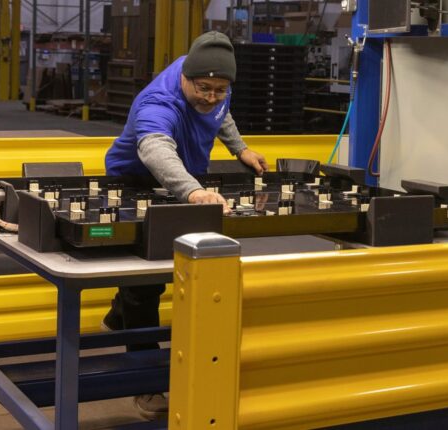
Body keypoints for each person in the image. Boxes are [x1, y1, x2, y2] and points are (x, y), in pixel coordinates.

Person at [101, 31, 267, 420]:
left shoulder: (214, 83)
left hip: (186, 183)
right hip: (136, 182)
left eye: (220, 89)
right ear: (185, 78)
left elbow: (220, 114)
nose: (211, 96)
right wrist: (193, 193)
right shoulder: (158, 102)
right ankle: (145, 385)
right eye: (204, 89)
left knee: (167, 269)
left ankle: (116, 317)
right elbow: (155, 149)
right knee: (145, 281)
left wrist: (240, 148)